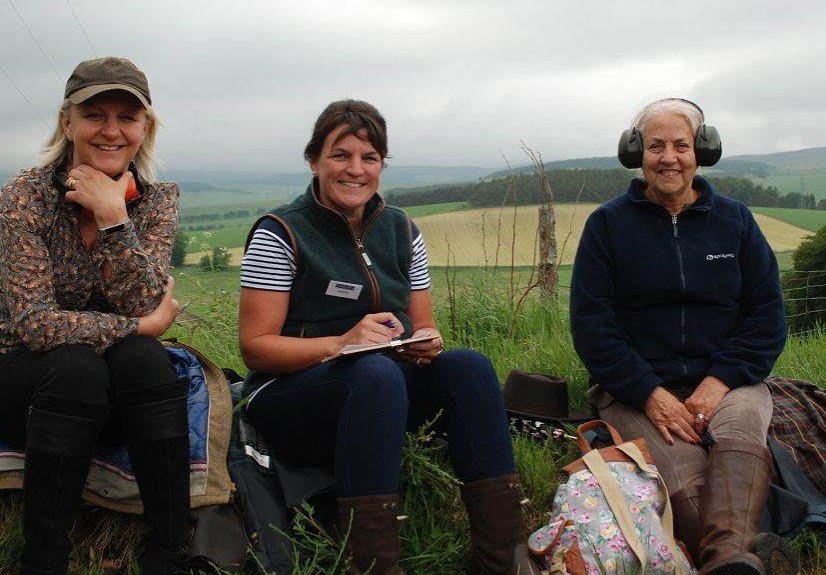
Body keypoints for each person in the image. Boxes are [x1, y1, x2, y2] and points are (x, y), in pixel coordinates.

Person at [238, 99, 539, 575]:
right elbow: (256, 347)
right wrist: (343, 342)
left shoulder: (402, 229)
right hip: (289, 395)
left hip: (379, 389)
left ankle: (505, 558)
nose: (355, 169)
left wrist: (426, 343)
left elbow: (424, 325)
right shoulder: (281, 232)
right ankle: (375, 566)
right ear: (314, 160)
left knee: (470, 368)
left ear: (381, 166)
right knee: (374, 372)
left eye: (369, 158)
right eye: (341, 155)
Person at [569, 98, 798, 575]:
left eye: (681, 145)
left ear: (702, 152)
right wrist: (649, 393)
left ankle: (724, 560)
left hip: (730, 380)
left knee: (737, 435)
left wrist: (719, 382)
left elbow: (766, 316)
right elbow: (594, 328)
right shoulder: (608, 226)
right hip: (637, 388)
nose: (668, 157)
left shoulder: (734, 221)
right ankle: (735, 558)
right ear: (637, 153)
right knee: (681, 467)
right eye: (656, 146)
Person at [0, 57, 188, 574]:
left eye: (127, 117)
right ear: (67, 122)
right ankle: (42, 561)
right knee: (78, 365)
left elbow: (143, 301)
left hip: (119, 401)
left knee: (146, 361)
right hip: (32, 392)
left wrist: (113, 218)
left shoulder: (157, 201)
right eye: (94, 115)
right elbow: (34, 324)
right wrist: (139, 327)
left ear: (145, 128)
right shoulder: (25, 197)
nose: (111, 130)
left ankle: (169, 551)